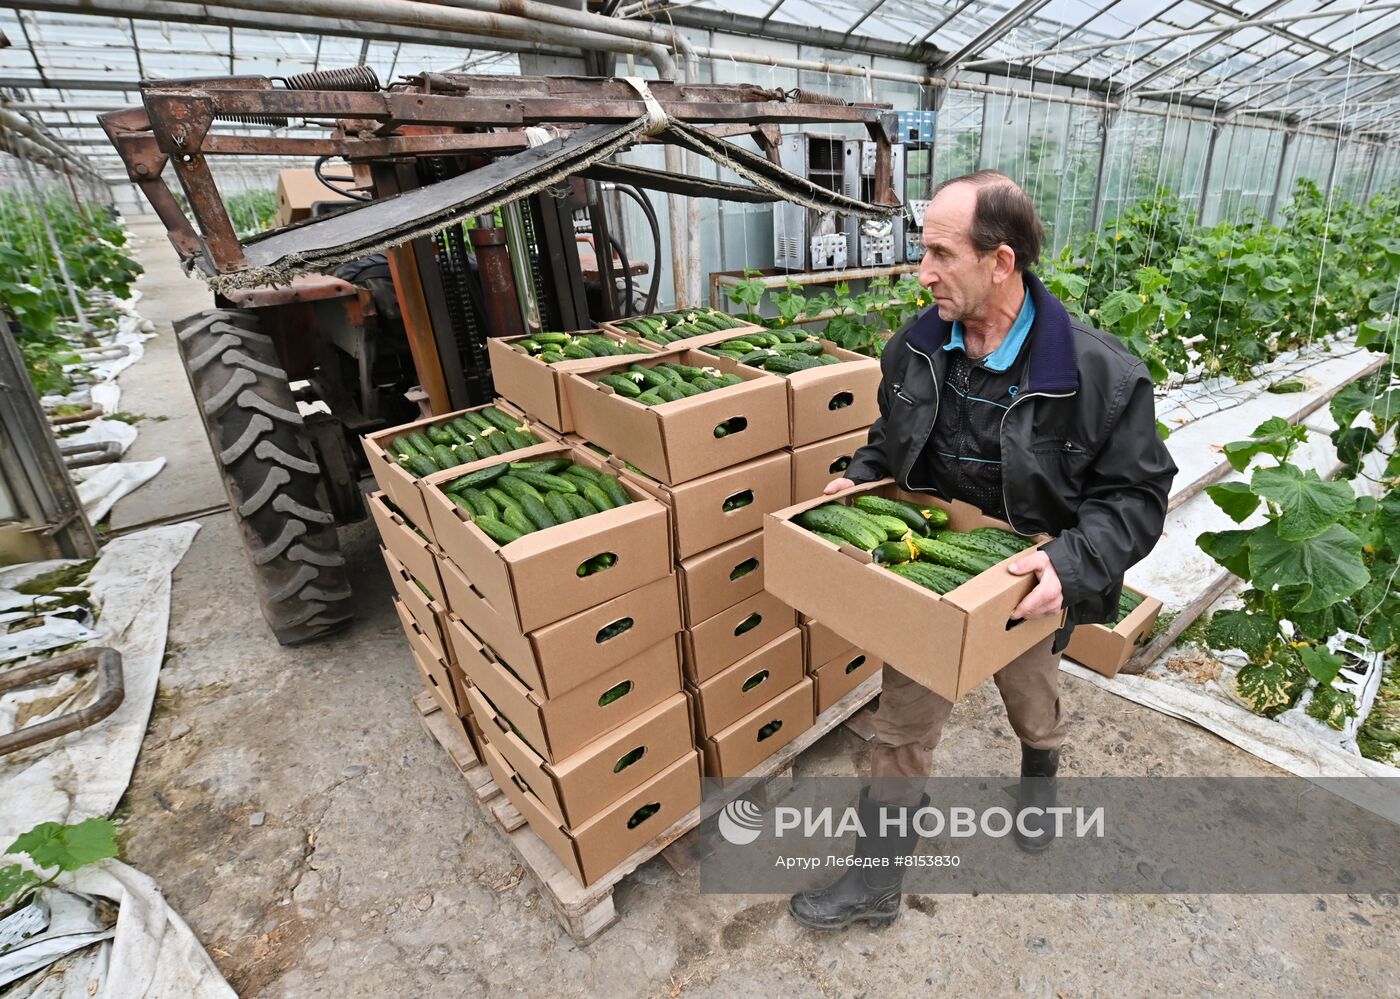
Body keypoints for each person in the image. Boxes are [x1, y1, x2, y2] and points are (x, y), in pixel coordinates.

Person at [788, 171, 1177, 930]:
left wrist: (1067, 565)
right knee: (901, 725)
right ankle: (876, 881)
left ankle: (1040, 769)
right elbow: (888, 440)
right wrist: (860, 480)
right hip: (935, 574)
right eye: (922, 251)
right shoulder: (915, 346)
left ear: (1001, 261)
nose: (922, 271)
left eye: (940, 252)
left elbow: (1135, 498)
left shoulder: (1099, 376)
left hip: (1030, 577)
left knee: (1032, 702)